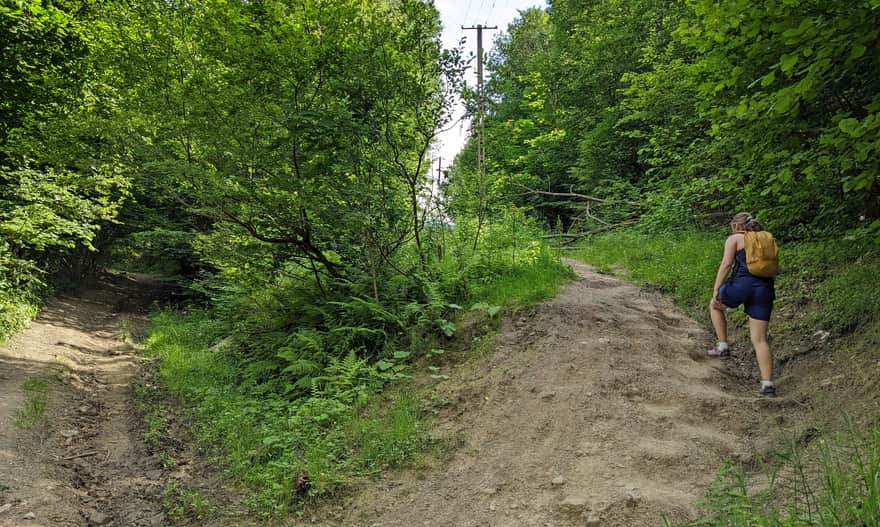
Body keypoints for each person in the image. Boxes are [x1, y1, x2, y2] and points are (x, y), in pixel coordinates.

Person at [707, 212, 776, 397]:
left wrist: (716, 289)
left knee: (714, 305)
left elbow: (726, 263)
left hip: (740, 285)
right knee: (760, 339)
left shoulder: (735, 238)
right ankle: (767, 385)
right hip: (764, 290)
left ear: (737, 227)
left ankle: (723, 346)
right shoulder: (766, 238)